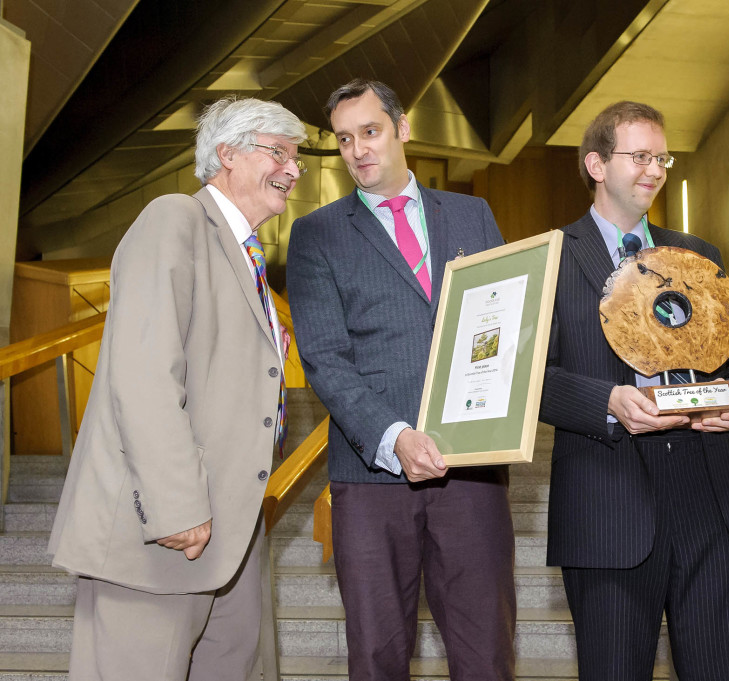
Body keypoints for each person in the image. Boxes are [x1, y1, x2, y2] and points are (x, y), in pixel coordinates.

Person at [47, 97, 306, 680]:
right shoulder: (174, 219)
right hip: (164, 535)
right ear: (227, 154)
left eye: (297, 160)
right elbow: (142, 375)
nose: (292, 170)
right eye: (279, 153)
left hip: (231, 535)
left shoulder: (247, 258)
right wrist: (175, 507)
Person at [286, 78, 514, 681]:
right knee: (378, 656)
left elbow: (503, 325)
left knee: (486, 652)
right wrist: (394, 438)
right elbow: (325, 360)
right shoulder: (316, 234)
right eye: (343, 139)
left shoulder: (472, 214)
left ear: (402, 128)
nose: (358, 150)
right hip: (371, 477)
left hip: (472, 467)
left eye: (370, 131)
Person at [538, 100, 729, 681]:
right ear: (595, 164)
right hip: (607, 506)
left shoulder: (698, 255)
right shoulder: (549, 259)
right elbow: (529, 378)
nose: (656, 170)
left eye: (662, 157)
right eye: (640, 156)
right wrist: (605, 403)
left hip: (713, 502)